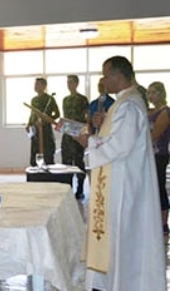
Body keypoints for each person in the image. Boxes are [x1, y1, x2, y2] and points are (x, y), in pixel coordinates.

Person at [76, 56, 165, 291]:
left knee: (122, 234)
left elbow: (121, 145)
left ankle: (124, 283)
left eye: (106, 75)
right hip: (120, 177)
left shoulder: (129, 104)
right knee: (117, 235)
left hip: (124, 183)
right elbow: (120, 136)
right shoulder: (125, 103)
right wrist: (105, 122)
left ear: (118, 75)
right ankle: (112, 281)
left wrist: (89, 142)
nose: (103, 80)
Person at [61, 75, 89, 200]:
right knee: (66, 163)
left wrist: (85, 133)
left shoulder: (82, 99)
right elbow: (65, 116)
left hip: (78, 134)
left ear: (77, 84)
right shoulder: (65, 100)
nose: (69, 84)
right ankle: (68, 189)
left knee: (78, 162)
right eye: (67, 82)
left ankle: (80, 189)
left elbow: (87, 117)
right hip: (67, 133)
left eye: (71, 82)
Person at [147, 81, 170, 235]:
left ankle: (163, 222)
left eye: (153, 92)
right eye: (148, 93)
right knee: (151, 188)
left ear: (161, 93)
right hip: (150, 154)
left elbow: (156, 134)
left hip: (159, 154)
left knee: (159, 187)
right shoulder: (151, 111)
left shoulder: (165, 112)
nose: (150, 95)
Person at [26, 77, 60, 166]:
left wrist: (46, 119)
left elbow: (57, 114)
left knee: (48, 153)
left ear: (44, 86)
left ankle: (49, 176)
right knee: (35, 153)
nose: (35, 86)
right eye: (35, 84)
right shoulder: (34, 100)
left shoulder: (49, 99)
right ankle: (35, 175)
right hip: (36, 130)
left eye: (38, 84)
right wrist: (29, 124)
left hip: (46, 130)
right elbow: (32, 114)